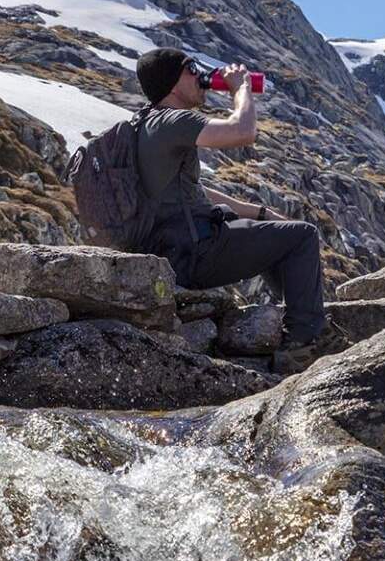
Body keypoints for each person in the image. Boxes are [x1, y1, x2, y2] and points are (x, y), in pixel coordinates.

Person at [132, 46, 326, 349]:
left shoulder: (142, 124)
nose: (200, 75)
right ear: (172, 83)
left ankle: (297, 319)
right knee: (302, 236)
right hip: (193, 255)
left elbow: (193, 189)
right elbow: (243, 131)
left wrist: (260, 213)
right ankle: (304, 343)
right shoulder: (173, 121)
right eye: (191, 69)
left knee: (273, 235)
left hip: (171, 251)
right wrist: (241, 88)